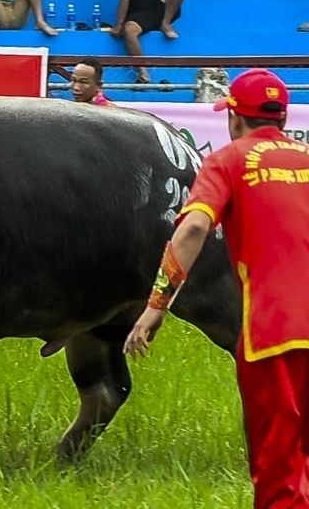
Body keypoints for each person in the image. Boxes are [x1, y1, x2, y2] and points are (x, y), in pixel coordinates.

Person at [123, 68, 309, 509]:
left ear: (234, 119)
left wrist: (155, 307)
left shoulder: (226, 161)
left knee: (277, 461)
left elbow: (192, 231)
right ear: (282, 119)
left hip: (274, 332)